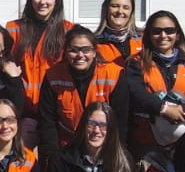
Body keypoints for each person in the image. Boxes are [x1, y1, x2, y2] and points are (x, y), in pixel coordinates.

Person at [120, 10, 185, 157]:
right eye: (156, 31)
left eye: (169, 30)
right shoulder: (136, 63)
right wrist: (163, 109)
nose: (163, 36)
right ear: (148, 35)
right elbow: (136, 93)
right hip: (146, 143)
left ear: (178, 34)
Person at [37, 27, 128, 157]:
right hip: (66, 147)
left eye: (86, 50)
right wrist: (54, 159)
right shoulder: (53, 76)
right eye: (73, 50)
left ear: (94, 52)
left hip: (104, 147)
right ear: (66, 52)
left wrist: (116, 156)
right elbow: (47, 122)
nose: (80, 55)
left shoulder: (113, 75)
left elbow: (121, 122)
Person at [7, 0, 73, 145]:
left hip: (54, 109)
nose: (42, 1)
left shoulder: (68, 31)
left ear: (56, 1)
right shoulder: (14, 29)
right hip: (22, 109)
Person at [93, 0, 142, 68]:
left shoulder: (143, 40)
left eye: (126, 7)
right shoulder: (94, 42)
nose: (120, 11)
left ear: (131, 12)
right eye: (115, 6)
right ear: (106, 9)